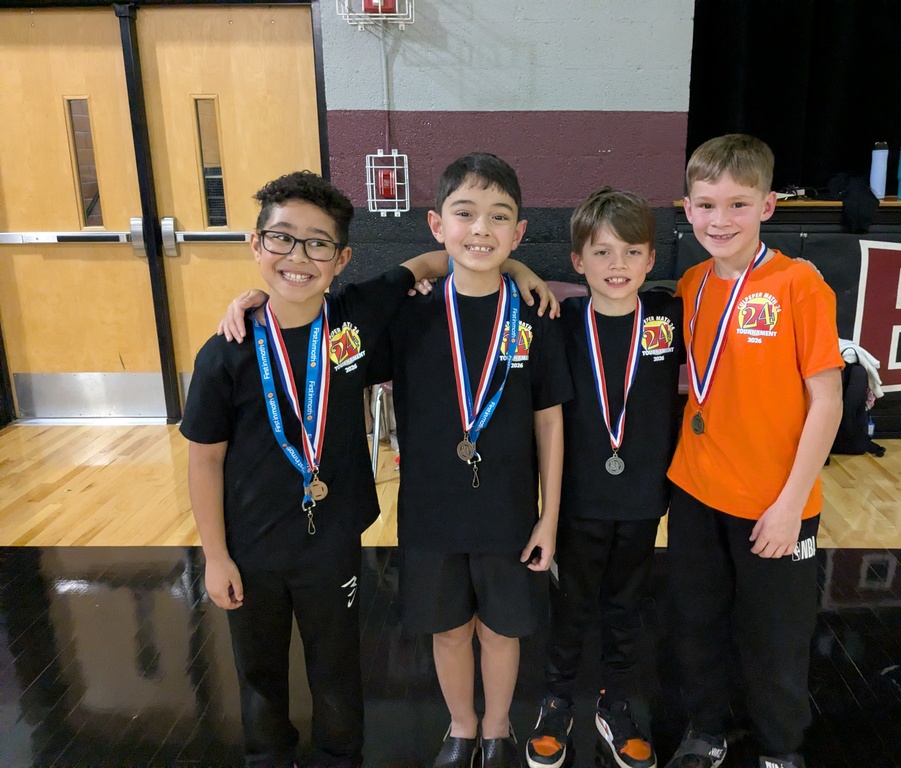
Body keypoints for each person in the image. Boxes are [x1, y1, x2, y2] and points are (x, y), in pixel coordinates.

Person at [182, 170, 550, 768]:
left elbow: (444, 257)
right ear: (255, 244)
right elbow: (203, 457)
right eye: (281, 239)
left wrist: (520, 270)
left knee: (336, 665)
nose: (298, 256)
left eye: (317, 244)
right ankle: (267, 756)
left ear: (342, 258)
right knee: (260, 671)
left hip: (333, 535)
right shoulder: (228, 349)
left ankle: (341, 757)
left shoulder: (354, 317)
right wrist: (215, 555)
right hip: (250, 542)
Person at [384, 152, 573, 768]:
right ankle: (461, 726)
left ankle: (496, 728)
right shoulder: (408, 313)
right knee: (448, 629)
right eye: (465, 214)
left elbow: (550, 421)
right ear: (437, 224)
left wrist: (548, 518)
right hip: (432, 509)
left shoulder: (536, 315)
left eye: (499, 217)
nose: (481, 229)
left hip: (508, 509)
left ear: (519, 232)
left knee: (501, 629)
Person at [663, 134, 844, 768]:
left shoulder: (799, 284)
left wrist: (791, 504)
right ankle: (706, 729)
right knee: (696, 623)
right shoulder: (691, 283)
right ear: (688, 208)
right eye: (707, 205)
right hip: (695, 490)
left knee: (776, 636)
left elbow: (828, 402)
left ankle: (779, 748)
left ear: (767, 206)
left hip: (774, 501)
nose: (721, 220)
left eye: (738, 204)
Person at [524, 188, 683, 768]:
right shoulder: (559, 320)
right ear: (577, 260)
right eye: (602, 252)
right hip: (578, 497)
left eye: (632, 252)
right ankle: (556, 700)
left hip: (643, 496)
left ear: (650, 259)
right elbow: (490, 279)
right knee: (570, 605)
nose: (618, 265)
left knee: (626, 606)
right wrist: (519, 268)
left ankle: (615, 702)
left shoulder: (668, 317)